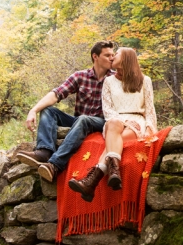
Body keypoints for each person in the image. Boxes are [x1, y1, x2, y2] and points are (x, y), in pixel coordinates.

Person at [64, 47, 157, 202]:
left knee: (115, 143)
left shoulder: (144, 80)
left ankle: (92, 181)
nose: (112, 57)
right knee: (113, 123)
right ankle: (113, 171)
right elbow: (108, 110)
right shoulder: (108, 81)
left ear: (127, 58)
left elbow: (150, 109)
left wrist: (149, 128)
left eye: (117, 54)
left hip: (136, 121)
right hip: (115, 121)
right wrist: (122, 121)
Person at [19, 40, 116, 182]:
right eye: (107, 55)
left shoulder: (115, 78)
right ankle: (44, 152)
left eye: (113, 55)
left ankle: (55, 165)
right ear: (95, 57)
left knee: (84, 119)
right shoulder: (80, 76)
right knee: (48, 110)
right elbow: (56, 94)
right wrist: (33, 110)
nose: (112, 58)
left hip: (102, 123)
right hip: (79, 122)